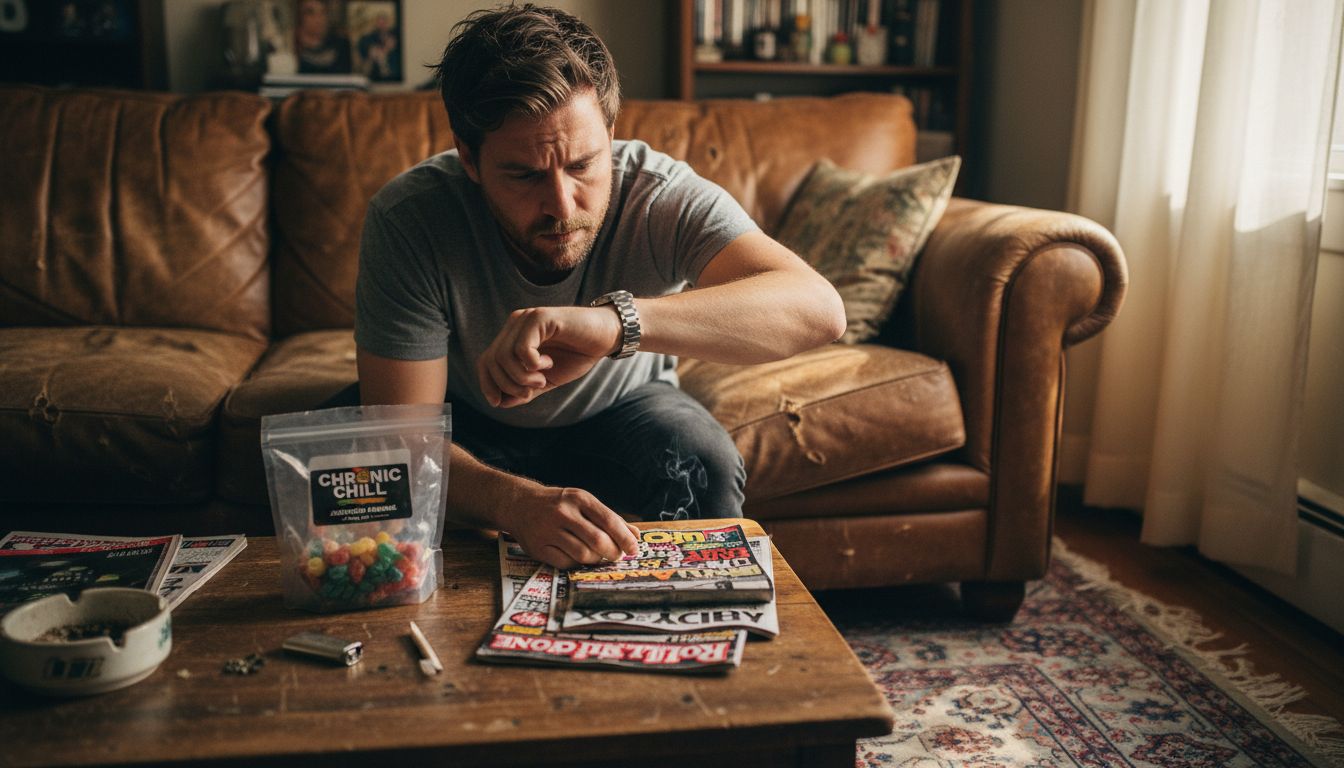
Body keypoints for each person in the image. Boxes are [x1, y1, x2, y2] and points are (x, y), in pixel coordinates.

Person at [353, 4, 845, 570]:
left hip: (624, 408)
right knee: (349, 471)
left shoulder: (659, 194)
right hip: (465, 419)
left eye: (583, 164)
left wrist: (616, 325)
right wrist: (513, 502)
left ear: (610, 133)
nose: (561, 205)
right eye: (525, 175)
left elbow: (819, 310)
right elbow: (403, 439)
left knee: (702, 460)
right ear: (469, 158)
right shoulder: (411, 217)